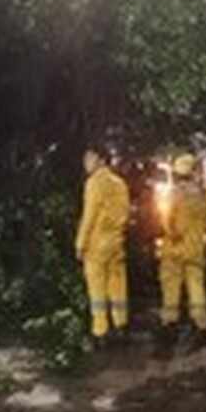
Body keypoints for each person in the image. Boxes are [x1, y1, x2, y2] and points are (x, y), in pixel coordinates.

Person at [74, 144, 131, 347]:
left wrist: (80, 243)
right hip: (116, 242)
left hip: (96, 244)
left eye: (89, 159)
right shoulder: (120, 183)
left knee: (97, 289)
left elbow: (89, 216)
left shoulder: (94, 183)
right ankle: (121, 324)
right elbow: (125, 215)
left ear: (100, 160)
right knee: (117, 286)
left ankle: (100, 331)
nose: (86, 163)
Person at [157, 154, 206, 341]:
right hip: (194, 246)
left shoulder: (172, 193)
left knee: (171, 285)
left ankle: (170, 320)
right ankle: (201, 322)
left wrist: (171, 232)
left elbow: (166, 219)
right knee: (196, 285)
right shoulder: (201, 195)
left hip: (174, 246)